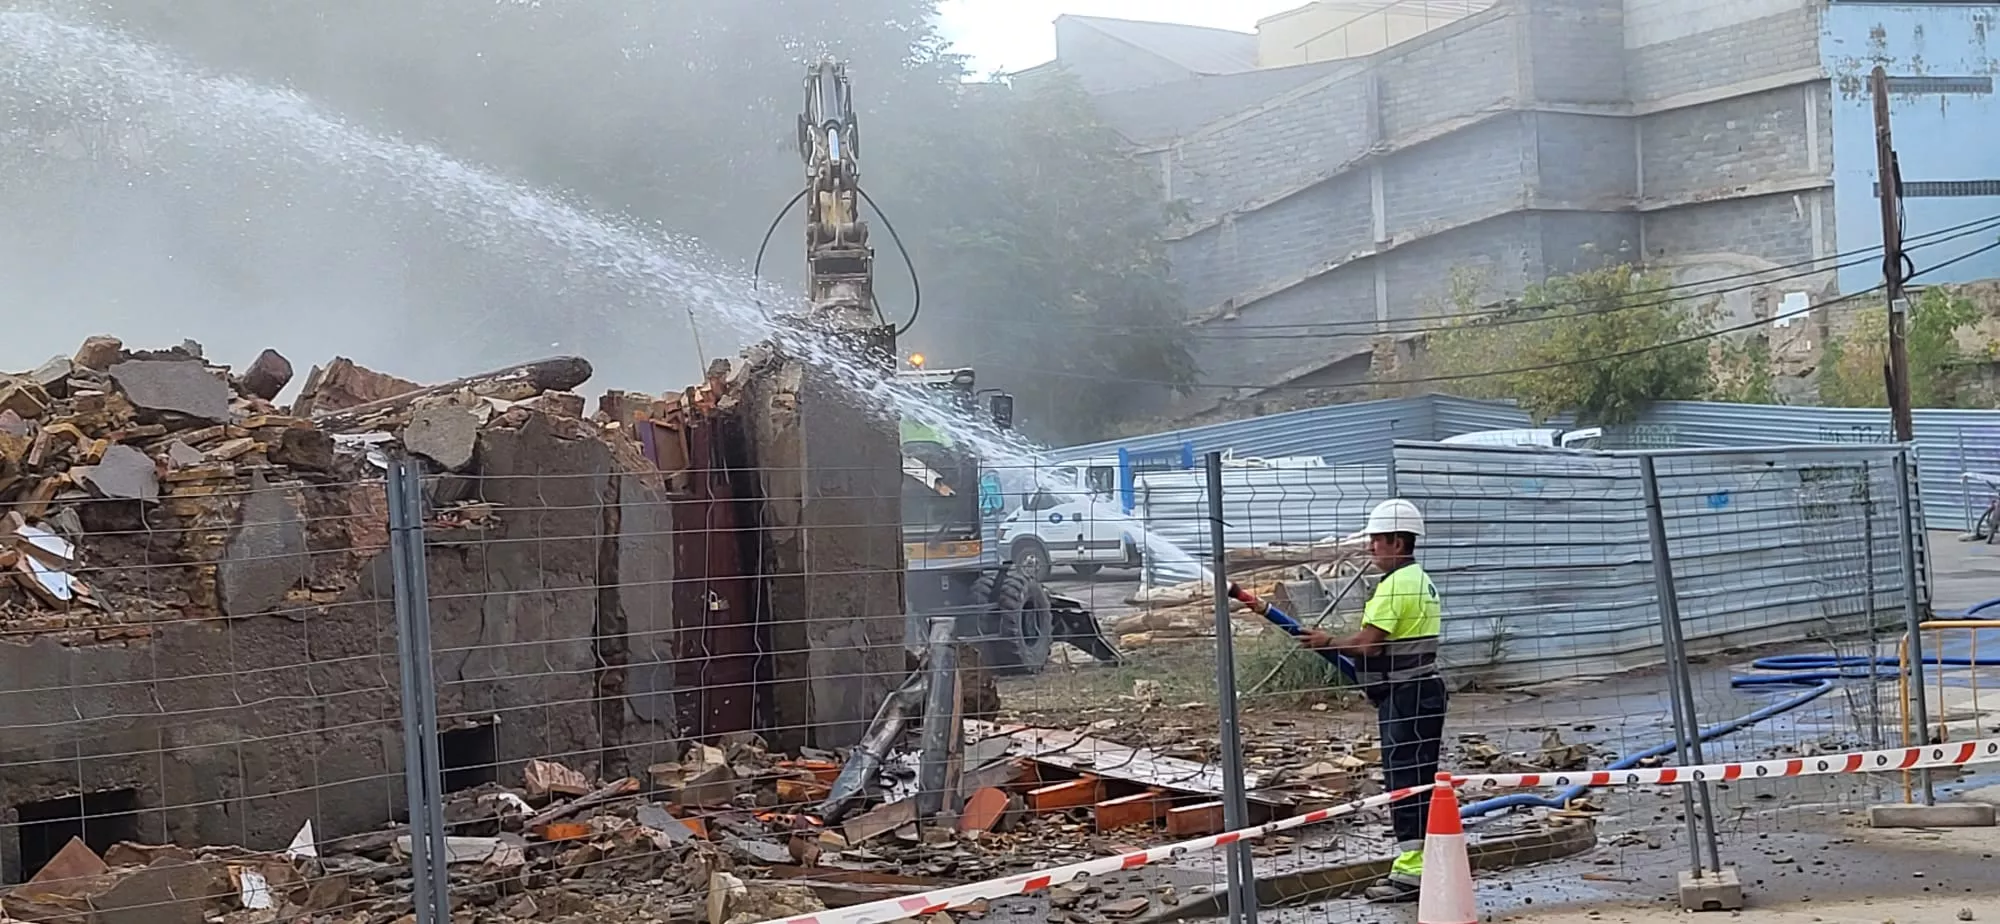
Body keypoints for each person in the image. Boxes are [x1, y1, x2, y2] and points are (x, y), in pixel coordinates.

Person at [1302, 498, 1445, 904]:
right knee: (1419, 778)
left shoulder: (1396, 585)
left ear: (1398, 542)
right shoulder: (1420, 580)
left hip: (1406, 696)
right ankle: (1421, 863)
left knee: (1405, 781)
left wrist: (1327, 641)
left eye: (1377, 541)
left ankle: (1411, 872)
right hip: (1421, 690)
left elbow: (1368, 646)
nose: (1371, 548)